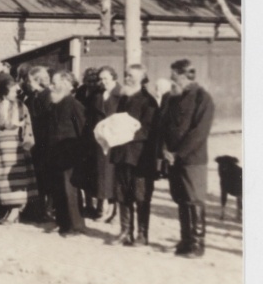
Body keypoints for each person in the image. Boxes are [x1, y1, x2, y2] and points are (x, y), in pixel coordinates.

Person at [162, 59, 215, 258]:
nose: (171, 78)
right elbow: (163, 125)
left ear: (184, 75)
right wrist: (165, 150)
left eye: (174, 75)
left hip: (193, 159)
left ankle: (197, 244)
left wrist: (179, 153)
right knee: (181, 199)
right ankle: (185, 241)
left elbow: (199, 132)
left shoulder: (203, 98)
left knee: (194, 199)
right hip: (172, 158)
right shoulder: (170, 97)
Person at [109, 64, 158, 246]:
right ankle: (125, 232)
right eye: (126, 75)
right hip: (122, 154)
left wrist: (125, 134)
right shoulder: (124, 98)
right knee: (122, 194)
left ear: (142, 79)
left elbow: (148, 130)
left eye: (131, 76)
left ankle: (142, 235)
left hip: (140, 158)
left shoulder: (149, 101)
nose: (127, 79)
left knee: (141, 196)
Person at [0, 72, 39, 224]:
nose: (16, 93)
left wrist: (26, 143)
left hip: (15, 146)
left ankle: (15, 211)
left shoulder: (20, 106)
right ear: (4, 92)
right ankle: (9, 208)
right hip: (0, 146)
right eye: (12, 91)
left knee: (16, 179)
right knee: (3, 178)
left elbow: (27, 126)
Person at [46, 70, 87, 236]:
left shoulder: (74, 105)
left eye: (54, 83)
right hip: (56, 155)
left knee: (70, 191)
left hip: (70, 156)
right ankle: (63, 223)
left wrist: (79, 155)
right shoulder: (56, 103)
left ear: (65, 84)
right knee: (58, 190)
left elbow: (83, 131)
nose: (51, 86)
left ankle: (76, 226)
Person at [82, 66, 122, 220]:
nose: (103, 81)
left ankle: (114, 211)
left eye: (106, 78)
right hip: (99, 140)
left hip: (115, 141)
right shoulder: (97, 95)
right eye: (101, 79)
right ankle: (101, 208)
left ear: (113, 77)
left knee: (114, 176)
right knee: (100, 175)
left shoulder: (121, 94)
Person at [24, 66, 54, 222]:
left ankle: (48, 209)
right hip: (35, 141)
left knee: (46, 176)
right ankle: (37, 208)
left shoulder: (48, 95)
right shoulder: (32, 96)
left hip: (45, 142)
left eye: (30, 80)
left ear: (37, 80)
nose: (28, 83)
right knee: (37, 176)